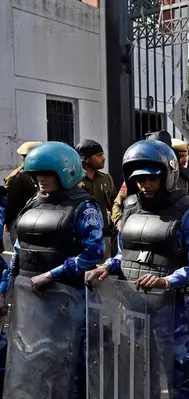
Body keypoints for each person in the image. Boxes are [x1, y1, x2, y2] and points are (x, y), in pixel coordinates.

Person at [85, 139, 189, 399]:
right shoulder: (130, 208)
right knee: (140, 373)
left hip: (171, 311)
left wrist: (167, 281)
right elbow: (122, 254)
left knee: (181, 378)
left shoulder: (188, 211)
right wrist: (106, 267)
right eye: (139, 179)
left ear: (167, 175)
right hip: (133, 309)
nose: (145, 185)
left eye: (152, 178)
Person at [0, 141, 104, 398]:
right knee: (38, 362)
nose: (42, 180)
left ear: (66, 172)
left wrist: (52, 274)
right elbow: (18, 251)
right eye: (38, 175)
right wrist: (5, 289)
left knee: (72, 366)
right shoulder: (32, 204)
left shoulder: (84, 207)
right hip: (33, 301)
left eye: (48, 174)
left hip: (69, 299)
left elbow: (93, 252)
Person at [112, 131, 174, 229]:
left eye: (153, 179)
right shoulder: (134, 182)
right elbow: (118, 205)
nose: (147, 184)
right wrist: (122, 226)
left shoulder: (182, 176)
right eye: (141, 180)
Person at [76, 139, 117, 260]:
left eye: (103, 155)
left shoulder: (106, 179)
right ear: (86, 159)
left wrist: (116, 231)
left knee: (101, 275)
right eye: (99, 155)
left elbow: (114, 205)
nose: (103, 158)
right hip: (80, 238)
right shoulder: (74, 180)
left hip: (103, 237)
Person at [3, 141, 42, 245]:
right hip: (21, 222)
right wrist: (7, 222)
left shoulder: (39, 173)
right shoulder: (19, 176)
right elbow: (10, 202)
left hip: (37, 221)